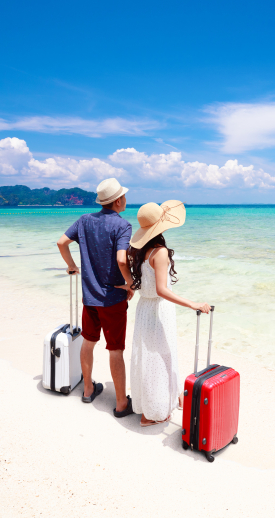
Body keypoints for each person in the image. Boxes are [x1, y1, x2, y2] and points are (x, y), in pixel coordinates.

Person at [57, 177, 136, 418]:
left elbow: (61, 242)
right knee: (115, 350)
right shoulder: (122, 226)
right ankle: (121, 403)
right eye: (124, 196)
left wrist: (72, 266)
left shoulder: (84, 220)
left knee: (89, 342)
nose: (125, 199)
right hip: (112, 298)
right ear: (118, 200)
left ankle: (88, 389)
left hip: (89, 297)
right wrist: (130, 283)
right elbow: (122, 260)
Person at [127, 201, 210, 426]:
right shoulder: (160, 251)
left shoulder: (138, 250)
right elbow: (162, 289)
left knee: (150, 356)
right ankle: (152, 413)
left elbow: (137, 276)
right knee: (161, 356)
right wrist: (192, 304)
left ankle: (163, 400)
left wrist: (129, 288)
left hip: (145, 307)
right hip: (158, 308)